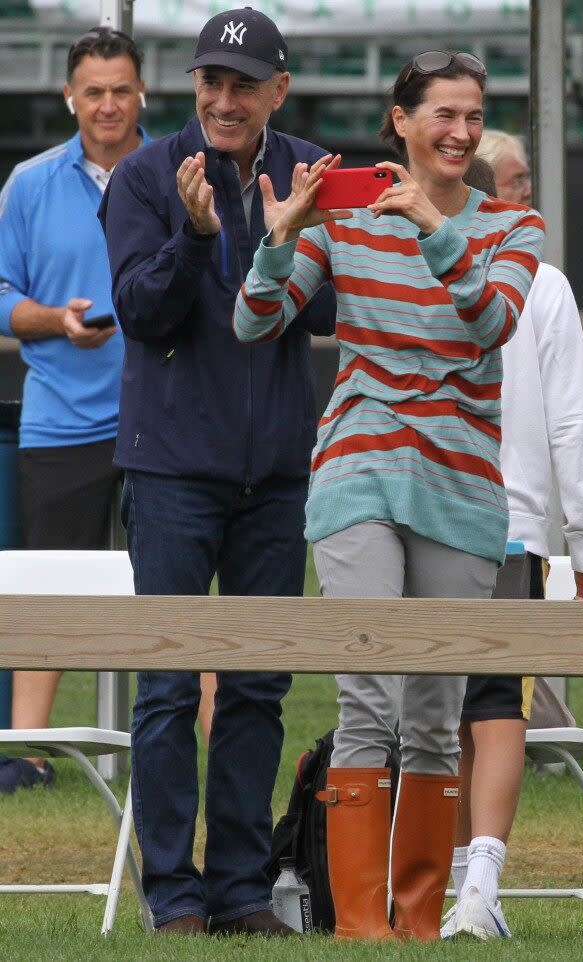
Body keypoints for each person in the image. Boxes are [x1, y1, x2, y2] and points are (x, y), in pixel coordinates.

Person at [234, 51, 544, 941]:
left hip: (460, 485)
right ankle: (363, 930)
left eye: (473, 115)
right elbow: (254, 322)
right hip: (359, 468)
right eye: (442, 114)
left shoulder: (515, 228)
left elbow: (492, 323)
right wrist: (283, 233)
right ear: (399, 123)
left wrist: (432, 227)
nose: (460, 131)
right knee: (368, 698)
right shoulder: (348, 214)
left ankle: (416, 927)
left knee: (437, 712)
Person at [98, 7, 336, 937]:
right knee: (164, 687)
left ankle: (239, 887)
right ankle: (172, 894)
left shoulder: (309, 169)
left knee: (256, 684)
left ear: (278, 90)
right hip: (171, 473)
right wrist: (196, 238)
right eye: (211, 82)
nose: (225, 101)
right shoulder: (149, 176)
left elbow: (324, 318)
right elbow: (141, 314)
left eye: (245, 84)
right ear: (193, 86)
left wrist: (292, 234)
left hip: (276, 471)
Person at [439, 143, 583, 941]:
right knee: (493, 703)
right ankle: (476, 887)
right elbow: (572, 422)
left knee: (450, 707)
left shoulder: (418, 265)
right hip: (508, 522)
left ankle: (455, 888)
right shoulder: (543, 282)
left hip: (438, 517)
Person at [0, 26, 150, 795]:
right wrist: (56, 319)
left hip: (162, 418)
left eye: (121, 89)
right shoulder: (27, 184)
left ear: (142, 94)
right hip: (61, 418)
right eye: (93, 91)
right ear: (69, 97)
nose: (108, 105)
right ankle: (26, 757)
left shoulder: (175, 172)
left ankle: (195, 743)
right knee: (49, 590)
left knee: (179, 590)